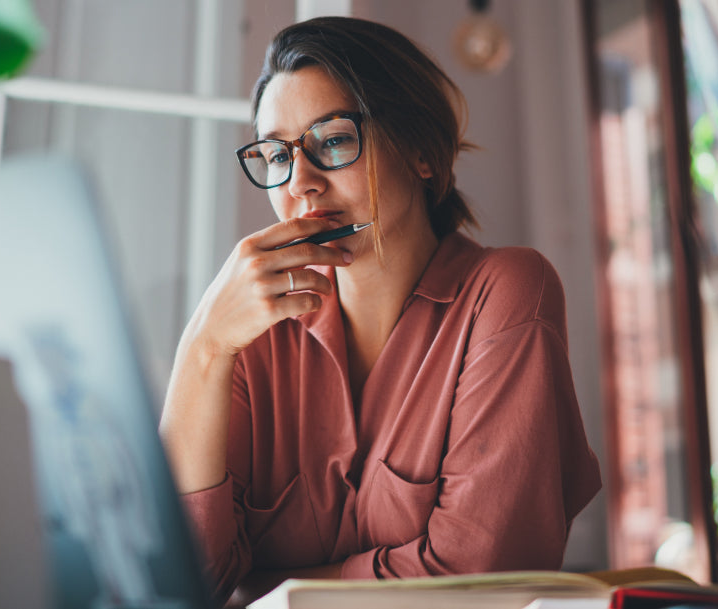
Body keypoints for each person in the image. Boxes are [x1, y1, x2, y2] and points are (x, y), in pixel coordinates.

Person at [159, 15, 602, 605]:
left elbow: (480, 577)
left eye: (334, 139)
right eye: (275, 155)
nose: (302, 185)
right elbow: (180, 583)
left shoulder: (507, 291)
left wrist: (265, 591)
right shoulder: (250, 334)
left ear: (420, 150)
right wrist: (204, 347)